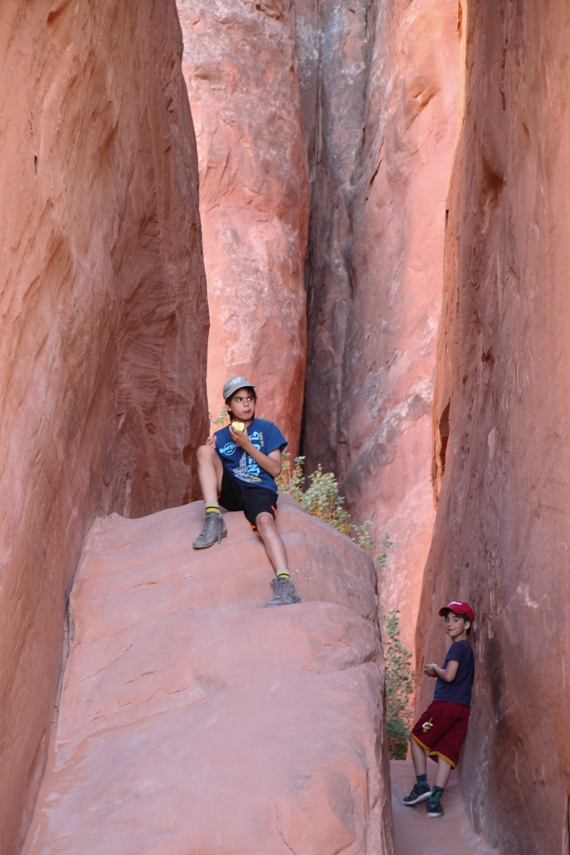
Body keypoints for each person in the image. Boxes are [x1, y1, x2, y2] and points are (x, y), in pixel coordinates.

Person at [193, 376, 302, 608]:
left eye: (250, 399)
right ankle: (213, 517)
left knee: (265, 521)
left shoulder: (266, 429)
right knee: (204, 451)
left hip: (259, 488)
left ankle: (285, 585)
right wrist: (211, 453)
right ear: (228, 406)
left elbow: (275, 469)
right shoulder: (221, 436)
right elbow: (215, 470)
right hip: (233, 488)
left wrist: (247, 445)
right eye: (239, 400)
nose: (246, 404)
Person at [403, 600, 475, 818]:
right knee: (446, 753)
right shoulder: (469, 651)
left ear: (467, 625)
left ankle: (422, 785)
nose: (449, 624)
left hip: (445, 704)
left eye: (456, 620)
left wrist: (436, 669)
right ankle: (434, 802)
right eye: (447, 620)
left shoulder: (457, 647)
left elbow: (450, 675)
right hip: (462, 710)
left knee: (416, 737)